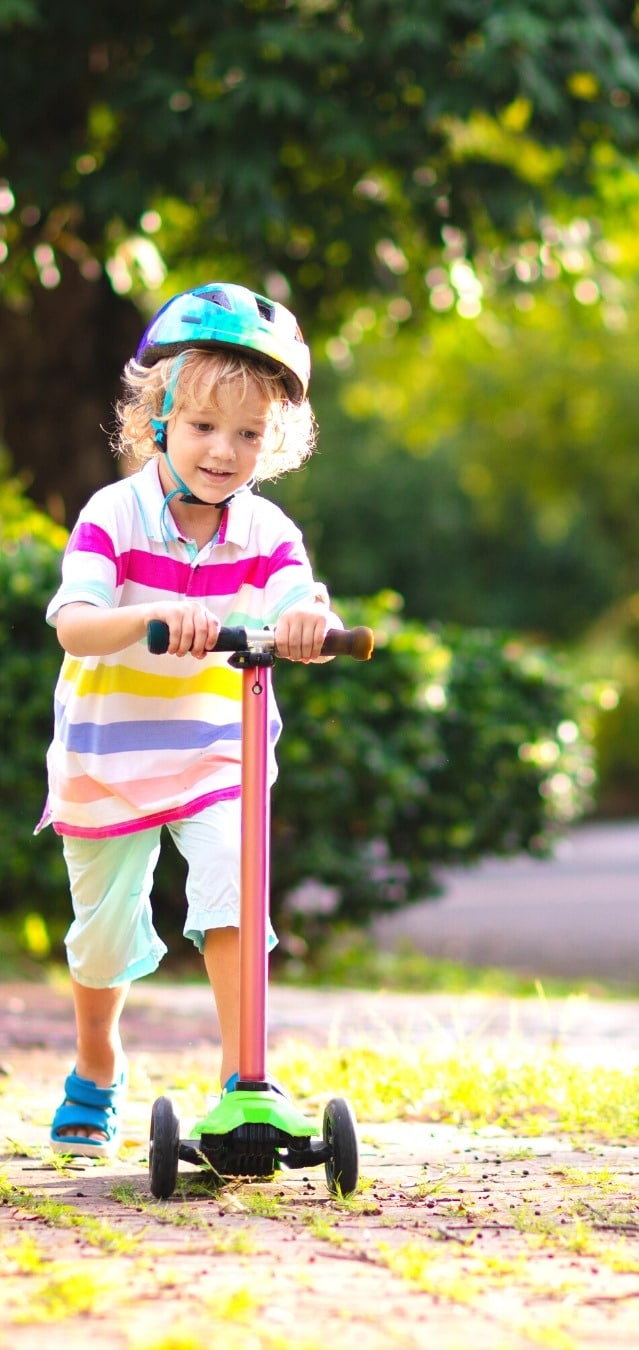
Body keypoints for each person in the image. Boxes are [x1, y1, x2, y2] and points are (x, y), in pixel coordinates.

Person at [39, 281, 341, 1157]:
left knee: (232, 894)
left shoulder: (267, 528)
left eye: (249, 434)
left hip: (217, 750)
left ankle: (244, 1086)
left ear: (274, 441)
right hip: (109, 756)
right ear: (160, 417)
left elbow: (297, 595)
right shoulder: (113, 513)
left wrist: (308, 623)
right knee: (102, 937)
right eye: (205, 427)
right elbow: (75, 621)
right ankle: (97, 1063)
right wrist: (150, 619)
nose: (224, 450)